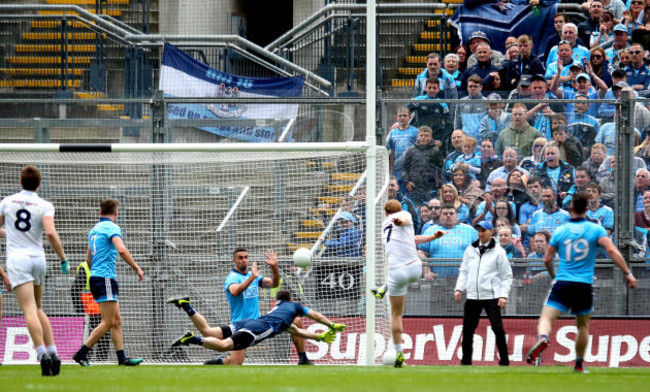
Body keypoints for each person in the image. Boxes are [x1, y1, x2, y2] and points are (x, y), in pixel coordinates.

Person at [526, 192, 637, 372]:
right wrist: (627, 273)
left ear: (570, 209)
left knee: (546, 317)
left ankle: (543, 337)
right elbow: (612, 251)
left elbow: (547, 258)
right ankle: (578, 364)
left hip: (562, 281)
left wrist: (553, 275)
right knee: (583, 326)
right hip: (584, 284)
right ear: (586, 209)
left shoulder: (560, 231)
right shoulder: (595, 230)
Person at [168, 247, 313, 365]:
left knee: (296, 321)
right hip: (241, 325)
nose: (244, 260)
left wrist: (274, 267)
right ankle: (215, 362)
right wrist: (252, 278)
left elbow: (274, 283)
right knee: (234, 361)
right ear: (234, 260)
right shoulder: (233, 277)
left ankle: (303, 358)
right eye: (240, 258)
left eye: (246, 257)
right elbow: (235, 291)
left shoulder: (253, 276)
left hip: (259, 322)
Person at [0, 165, 68, 376]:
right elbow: (50, 232)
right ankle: (54, 352)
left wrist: (10, 233)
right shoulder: (44, 204)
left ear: (20, 182)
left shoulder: (7, 201)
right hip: (38, 259)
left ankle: (42, 354)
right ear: (39, 184)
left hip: (18, 260)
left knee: (28, 309)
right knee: (38, 308)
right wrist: (63, 258)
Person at [371, 200, 445, 367]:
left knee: (396, 315)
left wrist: (398, 222)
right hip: (414, 269)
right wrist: (433, 236)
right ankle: (383, 288)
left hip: (397, 273)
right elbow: (406, 225)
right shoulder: (405, 214)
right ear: (400, 210)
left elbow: (406, 232)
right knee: (397, 274)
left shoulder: (384, 224)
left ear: (386, 213)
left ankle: (399, 354)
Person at [72, 198, 144, 368]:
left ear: (100, 212)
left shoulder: (93, 230)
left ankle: (122, 358)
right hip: (105, 278)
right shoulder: (112, 227)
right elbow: (121, 249)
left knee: (116, 320)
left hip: (97, 277)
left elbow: (89, 260)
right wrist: (137, 268)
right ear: (116, 212)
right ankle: (81, 353)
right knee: (108, 322)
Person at [170, 290, 344, 358]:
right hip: (258, 328)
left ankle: (187, 305)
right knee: (223, 347)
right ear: (291, 300)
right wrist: (331, 325)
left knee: (209, 331)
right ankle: (192, 339)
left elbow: (297, 331)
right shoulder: (294, 306)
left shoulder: (278, 312)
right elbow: (315, 315)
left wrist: (320, 336)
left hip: (251, 321)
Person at [454, 220, 512, 366]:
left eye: (483, 230)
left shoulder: (499, 252)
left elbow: (506, 276)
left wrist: (503, 295)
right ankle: (465, 362)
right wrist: (459, 288)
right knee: (467, 330)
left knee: (498, 328)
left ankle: (504, 361)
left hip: (492, 296)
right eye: (479, 230)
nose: (480, 233)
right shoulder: (470, 249)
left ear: (491, 232)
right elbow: (464, 271)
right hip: (473, 296)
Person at [419, 204, 478, 279]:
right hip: (437, 281)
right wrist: (426, 271)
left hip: (464, 280)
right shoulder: (430, 231)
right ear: (440, 216)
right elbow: (421, 252)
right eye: (445, 214)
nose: (448, 216)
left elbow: (480, 251)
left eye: (451, 213)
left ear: (456, 215)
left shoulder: (469, 230)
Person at [70, 261, 110, 362]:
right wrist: (80, 311)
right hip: (91, 311)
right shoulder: (86, 267)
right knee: (95, 337)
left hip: (102, 309)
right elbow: (75, 289)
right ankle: (92, 359)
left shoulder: (105, 264)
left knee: (100, 337)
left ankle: (100, 361)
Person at [401, 125, 444, 207]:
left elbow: (440, 170)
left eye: (426, 136)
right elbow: (404, 168)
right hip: (414, 188)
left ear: (431, 137)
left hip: (431, 188)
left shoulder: (436, 151)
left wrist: (440, 186)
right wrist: (407, 181)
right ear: (418, 137)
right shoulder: (411, 151)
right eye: (421, 135)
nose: (423, 138)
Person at [387, 107, 419, 192]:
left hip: (410, 169)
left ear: (410, 117)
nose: (402, 118)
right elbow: (392, 153)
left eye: (405, 116)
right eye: (400, 116)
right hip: (397, 169)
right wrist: (391, 170)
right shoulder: (393, 133)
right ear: (396, 118)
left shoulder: (415, 132)